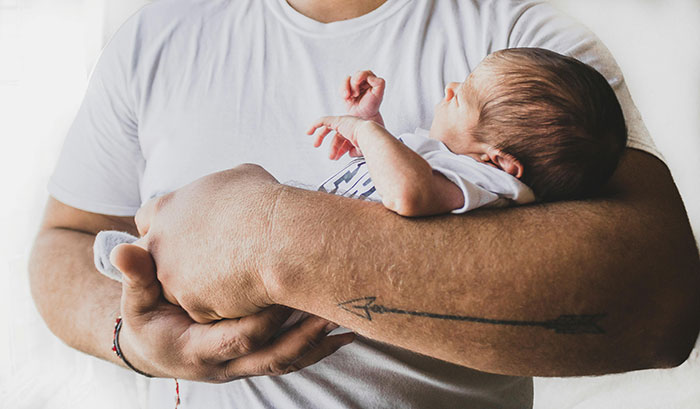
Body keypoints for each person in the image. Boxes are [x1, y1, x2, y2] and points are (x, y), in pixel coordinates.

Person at [29, 1, 700, 408]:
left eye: (459, 95)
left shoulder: (531, 57)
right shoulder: (155, 37)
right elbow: (65, 235)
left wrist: (268, 236)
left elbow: (663, 301)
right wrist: (133, 341)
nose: (450, 92)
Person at [307, 48, 626, 217]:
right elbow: (387, 174)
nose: (450, 88)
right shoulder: (454, 165)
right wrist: (372, 121)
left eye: (462, 98)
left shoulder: (488, 185)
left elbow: (406, 194)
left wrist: (363, 131)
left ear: (498, 161)